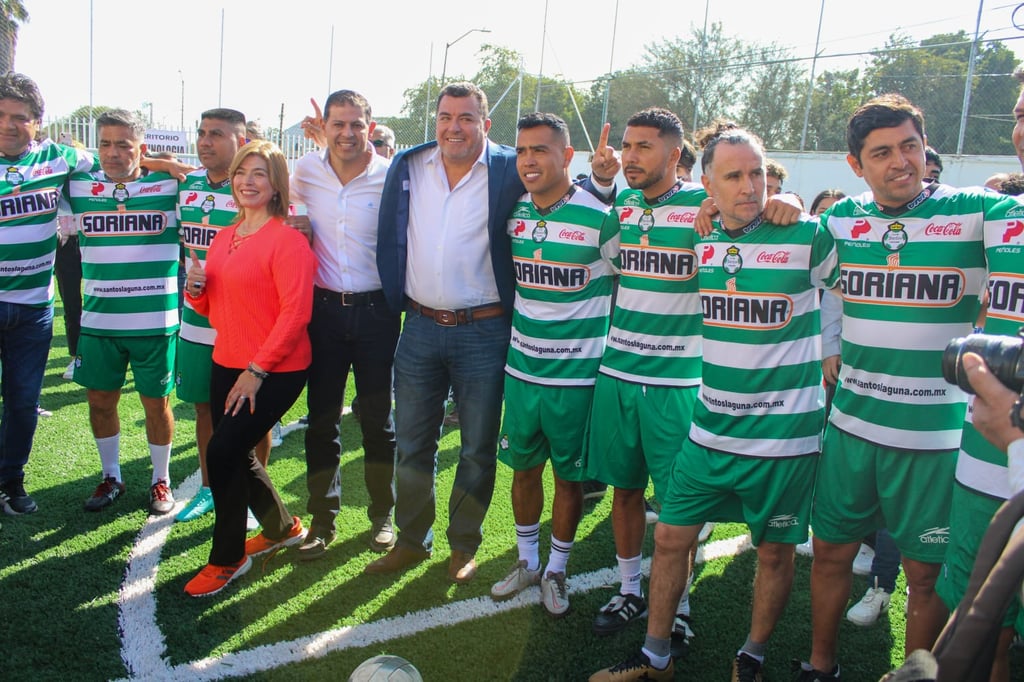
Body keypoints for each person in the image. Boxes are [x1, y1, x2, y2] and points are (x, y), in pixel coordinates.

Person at [590, 121, 839, 682]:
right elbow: (632, 238)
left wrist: (796, 204)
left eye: (757, 173)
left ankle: (751, 655)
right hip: (709, 429)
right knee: (671, 536)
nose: (750, 187)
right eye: (734, 176)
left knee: (773, 553)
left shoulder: (804, 235)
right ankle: (655, 656)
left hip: (785, 438)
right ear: (706, 185)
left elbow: (862, 289)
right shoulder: (697, 234)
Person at [799, 94, 1023, 681]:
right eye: (882, 152)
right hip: (850, 428)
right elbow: (785, 246)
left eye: (910, 146)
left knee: (925, 575)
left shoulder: (979, 211)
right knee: (830, 556)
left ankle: (915, 675)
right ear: (855, 165)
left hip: (937, 438)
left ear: (925, 148)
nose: (901, 161)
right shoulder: (841, 220)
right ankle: (821, 664)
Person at [370, 81, 525, 584]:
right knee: (413, 443)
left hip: (485, 330)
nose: (453, 127)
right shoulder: (410, 164)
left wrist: (605, 183)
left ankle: (463, 546)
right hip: (417, 327)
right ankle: (413, 542)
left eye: (465, 117)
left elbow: (559, 198)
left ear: (485, 122)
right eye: (444, 117)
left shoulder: (509, 169)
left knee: (478, 447)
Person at [489, 112, 619, 616]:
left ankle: (557, 569)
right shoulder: (513, 210)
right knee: (523, 470)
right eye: (522, 151)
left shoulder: (600, 215)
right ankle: (526, 561)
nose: (528, 161)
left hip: (578, 377)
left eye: (540, 150)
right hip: (522, 371)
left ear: (567, 156)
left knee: (569, 479)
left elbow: (628, 278)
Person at [182, 139, 315, 597]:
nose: (247, 182)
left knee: (221, 453)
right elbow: (213, 310)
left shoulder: (288, 242)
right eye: (241, 173)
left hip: (273, 370)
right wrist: (196, 289)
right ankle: (282, 527)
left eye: (258, 173)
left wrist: (256, 370)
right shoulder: (225, 236)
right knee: (234, 451)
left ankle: (228, 557)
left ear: (276, 184)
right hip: (226, 361)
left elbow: (295, 315)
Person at [290, 89, 401, 559]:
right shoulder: (305, 171)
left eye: (357, 124)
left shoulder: (391, 176)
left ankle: (382, 516)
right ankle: (322, 519)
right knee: (321, 421)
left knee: (378, 421)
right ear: (325, 127)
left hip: (378, 312)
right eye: (338, 123)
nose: (348, 132)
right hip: (325, 312)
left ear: (370, 127)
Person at [67, 109, 180, 515]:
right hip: (99, 323)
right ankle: (111, 475)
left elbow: (207, 174)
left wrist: (161, 163)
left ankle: (160, 480)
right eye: (105, 144)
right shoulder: (78, 186)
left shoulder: (169, 186)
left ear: (142, 149)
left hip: (156, 322)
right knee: (100, 402)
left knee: (157, 404)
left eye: (123, 145)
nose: (112, 154)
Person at [0, 72, 95, 516]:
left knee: (22, 402)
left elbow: (112, 162)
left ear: (38, 122)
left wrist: (166, 166)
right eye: (1, 115)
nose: (8, 125)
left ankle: (10, 481)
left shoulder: (59, 158)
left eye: (20, 117)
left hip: (34, 310)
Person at [175, 108, 270, 523]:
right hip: (197, 320)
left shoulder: (255, 189)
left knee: (253, 415)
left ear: (241, 139)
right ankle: (212, 487)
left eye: (216, 133)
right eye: (201, 133)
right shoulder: (184, 184)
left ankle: (253, 492)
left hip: (245, 325)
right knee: (205, 410)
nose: (205, 140)